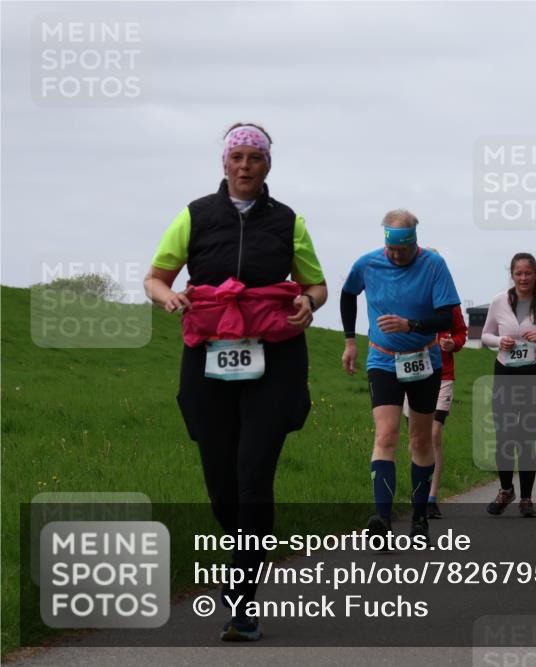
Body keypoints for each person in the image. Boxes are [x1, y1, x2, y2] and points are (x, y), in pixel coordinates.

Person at [144, 123, 327, 641]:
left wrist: (307, 302)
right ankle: (245, 549)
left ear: (269, 165)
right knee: (222, 486)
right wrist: (168, 296)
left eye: (255, 157)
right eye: (237, 157)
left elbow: (317, 284)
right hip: (209, 358)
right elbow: (156, 275)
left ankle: (242, 601)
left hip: (276, 357)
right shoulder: (195, 215)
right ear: (224, 162)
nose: (245, 166)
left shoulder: (290, 221)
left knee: (253, 478)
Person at [340, 210, 461, 540]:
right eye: (391, 249)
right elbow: (348, 293)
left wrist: (411, 325)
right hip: (382, 360)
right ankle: (382, 519)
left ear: (414, 243)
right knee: (386, 434)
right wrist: (350, 341)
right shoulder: (368, 263)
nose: (396, 256)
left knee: (420, 439)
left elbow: (445, 319)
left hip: (424, 360)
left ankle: (419, 516)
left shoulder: (434, 265)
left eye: (403, 250)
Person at [481, 253, 536, 518]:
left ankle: (527, 499)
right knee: (505, 436)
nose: (523, 278)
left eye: (527, 273)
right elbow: (486, 336)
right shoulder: (499, 302)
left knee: (525, 437)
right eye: (518, 273)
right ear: (512, 274)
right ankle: (506, 489)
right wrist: (500, 342)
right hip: (506, 372)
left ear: (535, 274)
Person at [404, 302, 468, 519]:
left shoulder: (450, 303)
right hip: (412, 373)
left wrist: (454, 344)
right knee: (417, 437)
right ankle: (418, 491)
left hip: (443, 376)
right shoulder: (411, 293)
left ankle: (431, 497)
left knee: (434, 433)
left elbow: (461, 332)